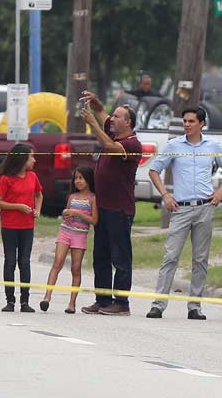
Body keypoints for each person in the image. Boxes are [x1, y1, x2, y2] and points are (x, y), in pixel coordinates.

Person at [146, 107, 222, 320]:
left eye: (191, 121)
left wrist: (221, 191)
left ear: (201, 123)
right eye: (185, 121)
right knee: (171, 256)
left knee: (200, 259)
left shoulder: (212, 145)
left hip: (205, 207)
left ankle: (195, 306)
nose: (187, 125)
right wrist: (165, 194)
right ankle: (158, 304)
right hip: (181, 208)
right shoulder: (174, 145)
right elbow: (153, 170)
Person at [80, 92, 142, 316]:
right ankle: (103, 299)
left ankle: (121, 303)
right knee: (101, 256)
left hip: (120, 210)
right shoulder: (114, 133)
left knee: (121, 257)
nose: (112, 119)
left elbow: (108, 146)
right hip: (103, 209)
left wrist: (93, 124)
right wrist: (97, 106)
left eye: (117, 117)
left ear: (128, 122)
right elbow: (103, 116)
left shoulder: (132, 143)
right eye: (113, 116)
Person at [40, 167, 98, 313]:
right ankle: (47, 297)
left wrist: (78, 213)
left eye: (81, 178)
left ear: (88, 180)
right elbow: (66, 212)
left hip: (80, 235)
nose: (78, 181)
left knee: (76, 268)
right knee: (57, 262)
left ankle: (72, 303)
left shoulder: (92, 199)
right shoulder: (72, 197)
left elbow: (94, 220)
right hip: (65, 232)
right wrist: (66, 214)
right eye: (76, 178)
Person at [0, 144, 43, 313]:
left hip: (27, 226)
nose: (34, 160)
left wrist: (37, 209)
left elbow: (39, 194)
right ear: (22, 158)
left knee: (24, 262)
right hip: (10, 226)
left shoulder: (32, 176)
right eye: (31, 157)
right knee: (10, 261)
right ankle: (10, 301)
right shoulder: (6, 179)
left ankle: (25, 301)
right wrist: (17, 206)